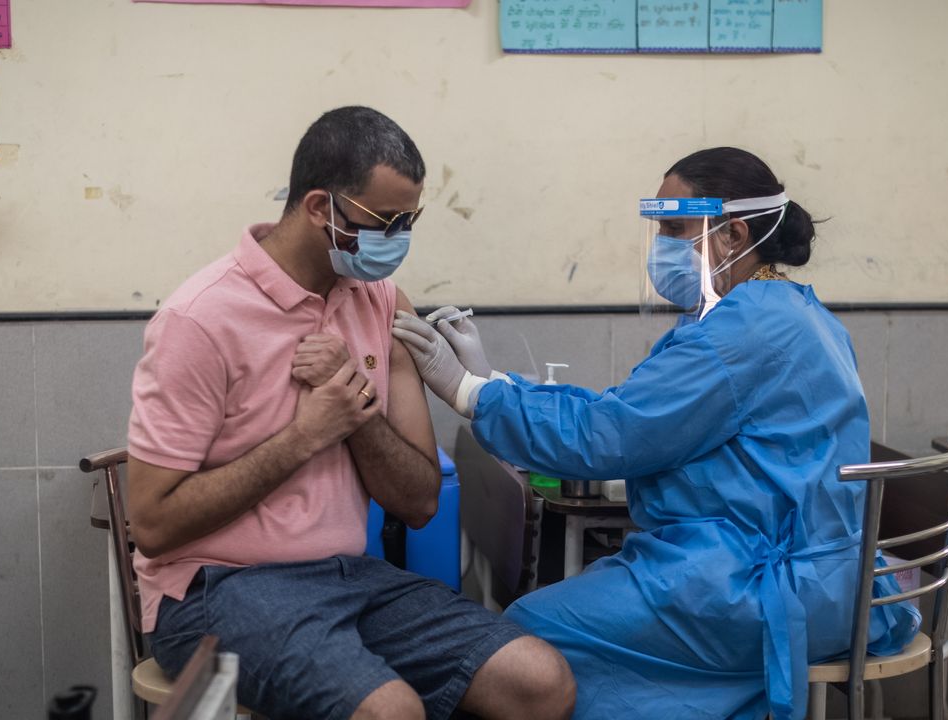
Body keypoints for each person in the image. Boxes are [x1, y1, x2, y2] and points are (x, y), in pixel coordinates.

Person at [392, 147, 920, 720]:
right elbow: (632, 410)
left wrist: (469, 393)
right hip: (827, 577)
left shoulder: (739, 333)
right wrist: (495, 383)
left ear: (733, 235)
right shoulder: (787, 311)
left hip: (761, 587)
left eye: (674, 229)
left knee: (526, 638)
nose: (663, 247)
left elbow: (611, 436)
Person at [125, 106, 575, 720]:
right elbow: (152, 525)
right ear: (317, 207)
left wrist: (355, 409)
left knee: (540, 681)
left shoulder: (381, 301)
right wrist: (305, 436)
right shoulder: (199, 320)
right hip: (213, 590)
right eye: (383, 221)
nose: (397, 238)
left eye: (408, 220)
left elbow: (417, 503)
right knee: (390, 713)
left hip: (348, 577)